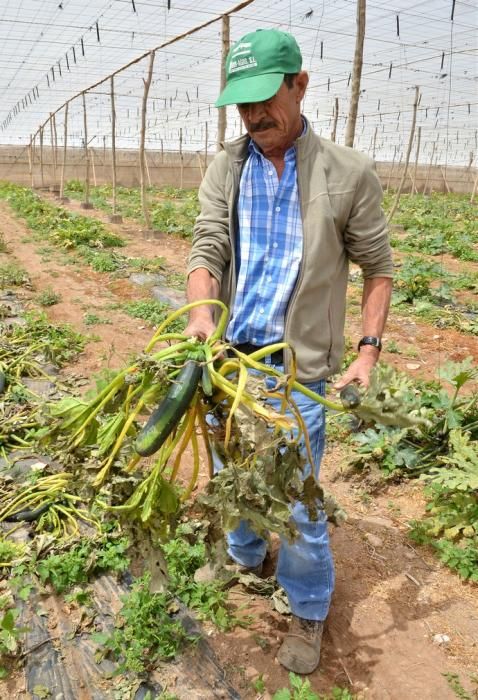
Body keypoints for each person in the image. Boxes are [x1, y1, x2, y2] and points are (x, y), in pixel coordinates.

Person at [184, 28, 393, 675]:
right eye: (241, 104)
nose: (253, 117)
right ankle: (244, 558)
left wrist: (367, 354)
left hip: (297, 373)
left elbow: (378, 269)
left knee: (300, 503)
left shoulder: (348, 173)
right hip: (231, 363)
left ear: (300, 84)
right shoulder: (228, 164)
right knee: (232, 476)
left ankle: (307, 608)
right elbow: (207, 249)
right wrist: (199, 319)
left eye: (264, 100)